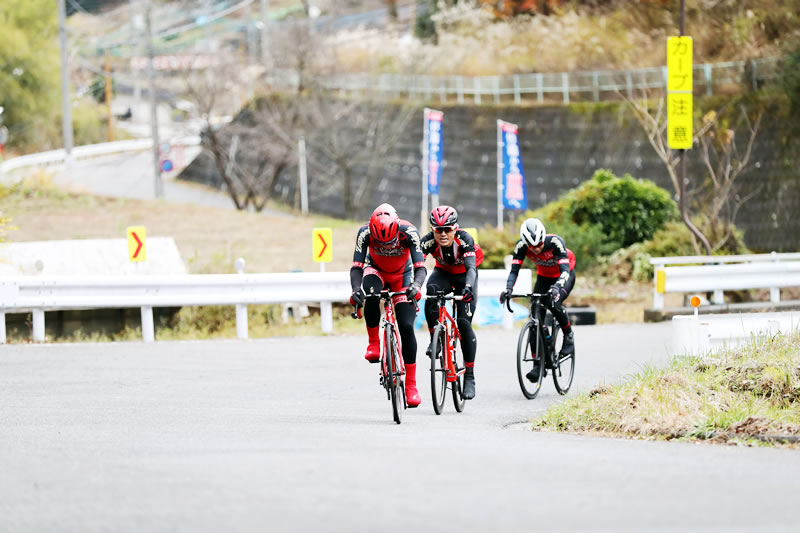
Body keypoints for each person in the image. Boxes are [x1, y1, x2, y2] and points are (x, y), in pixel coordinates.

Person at [350, 203, 427, 407]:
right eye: (380, 243)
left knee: (407, 326)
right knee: (371, 294)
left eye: (390, 242)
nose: (385, 246)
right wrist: (356, 289)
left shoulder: (409, 232)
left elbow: (421, 267)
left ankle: (411, 386)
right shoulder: (364, 233)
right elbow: (356, 267)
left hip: (402, 275)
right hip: (375, 271)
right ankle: (374, 343)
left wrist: (416, 286)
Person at [499, 218, 576, 381]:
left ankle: (568, 336)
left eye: (539, 244)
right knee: (535, 319)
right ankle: (537, 363)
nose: (536, 249)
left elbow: (565, 271)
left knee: (553, 301)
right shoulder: (521, 247)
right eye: (532, 247)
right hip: (543, 277)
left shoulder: (555, 242)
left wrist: (557, 288)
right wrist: (508, 289)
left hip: (564, 275)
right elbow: (514, 271)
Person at [420, 206, 483, 400]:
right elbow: (416, 265)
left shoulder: (465, 239)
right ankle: (435, 339)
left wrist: (469, 288)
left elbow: (471, 269)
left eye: (448, 228)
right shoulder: (428, 241)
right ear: (433, 230)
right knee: (431, 293)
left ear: (456, 228)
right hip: (444, 273)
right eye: (438, 230)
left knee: (464, 324)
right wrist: (412, 287)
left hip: (465, 275)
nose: (443, 233)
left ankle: (470, 376)